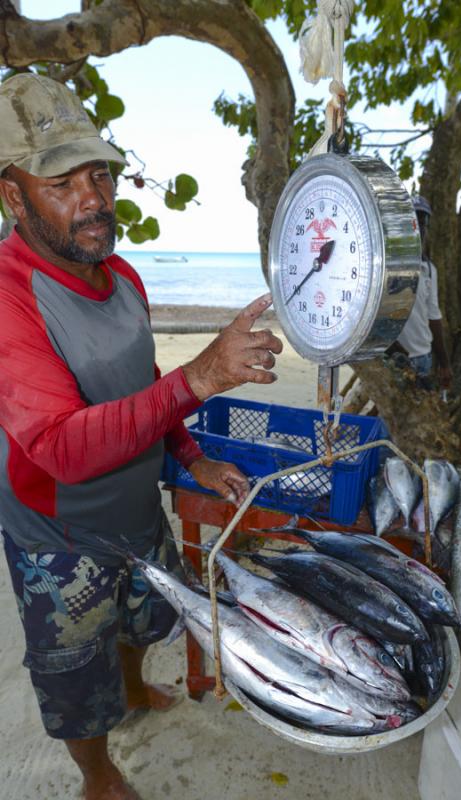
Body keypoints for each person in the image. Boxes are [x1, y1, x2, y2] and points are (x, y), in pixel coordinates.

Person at [0, 73, 283, 800]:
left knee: (143, 618)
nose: (93, 196)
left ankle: (130, 691)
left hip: (133, 507)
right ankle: (97, 773)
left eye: (99, 173)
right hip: (57, 541)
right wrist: (204, 376)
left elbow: (138, 377)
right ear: (13, 196)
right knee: (71, 674)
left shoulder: (119, 271)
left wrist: (193, 454)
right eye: (62, 182)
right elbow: (60, 445)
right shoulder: (7, 295)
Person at [390, 195, 452, 392]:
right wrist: (393, 349)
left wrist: (444, 363)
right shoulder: (387, 266)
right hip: (393, 358)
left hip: (422, 357)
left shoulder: (429, 270)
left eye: (423, 223)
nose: (419, 228)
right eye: (413, 222)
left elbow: (434, 316)